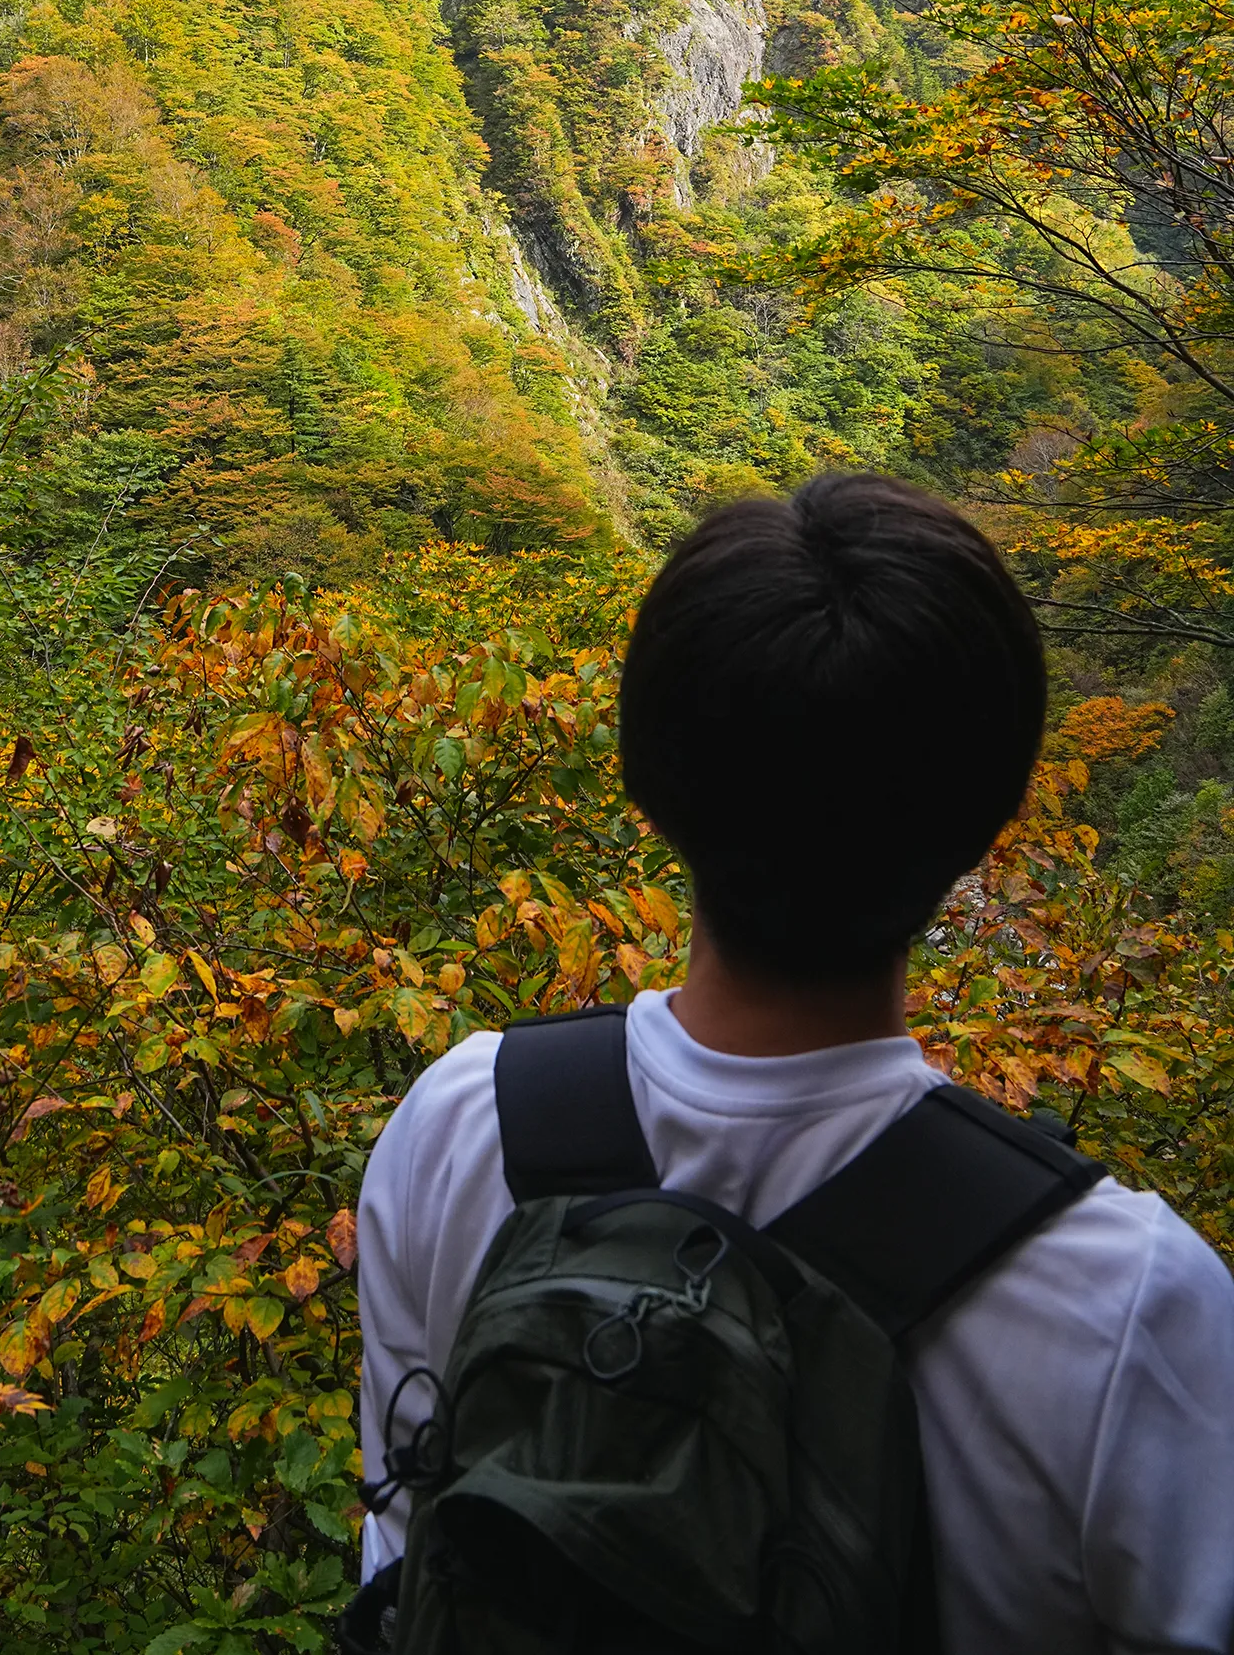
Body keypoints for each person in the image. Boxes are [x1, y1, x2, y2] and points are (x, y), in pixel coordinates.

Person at [356, 472, 1234, 1653]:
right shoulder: (1126, 1303)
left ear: (648, 779)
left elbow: (408, 1554)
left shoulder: (466, 1124)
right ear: (991, 814)